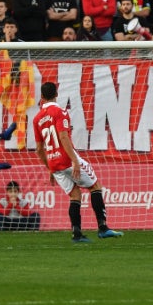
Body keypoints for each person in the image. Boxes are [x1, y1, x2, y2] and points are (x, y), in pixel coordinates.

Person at [33, 82, 124, 242]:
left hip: (54, 164)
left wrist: (50, 169)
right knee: (95, 186)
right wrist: (74, 160)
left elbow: (39, 149)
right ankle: (103, 228)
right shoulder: (60, 112)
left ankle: (76, 234)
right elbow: (63, 136)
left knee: (75, 195)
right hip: (67, 159)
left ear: (41, 97)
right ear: (57, 94)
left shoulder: (37, 118)